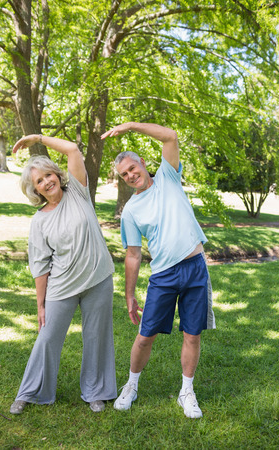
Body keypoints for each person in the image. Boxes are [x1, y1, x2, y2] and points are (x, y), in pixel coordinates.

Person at [101, 122, 215, 419]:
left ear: (143, 163)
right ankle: (131, 384)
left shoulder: (167, 175)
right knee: (145, 336)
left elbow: (170, 136)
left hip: (194, 268)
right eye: (124, 175)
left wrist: (130, 126)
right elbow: (133, 254)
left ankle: (186, 392)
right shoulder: (131, 211)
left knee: (192, 334)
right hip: (163, 276)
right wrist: (129, 296)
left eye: (132, 168)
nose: (130, 175)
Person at [9, 134, 117, 415]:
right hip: (62, 285)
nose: (47, 181)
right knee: (47, 337)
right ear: (36, 191)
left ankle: (96, 391)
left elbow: (72, 149)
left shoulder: (79, 191)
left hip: (97, 279)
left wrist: (36, 138)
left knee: (97, 336)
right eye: (39, 181)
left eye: (48, 174)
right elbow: (40, 264)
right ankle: (30, 392)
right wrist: (40, 304)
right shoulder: (40, 220)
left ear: (57, 174)